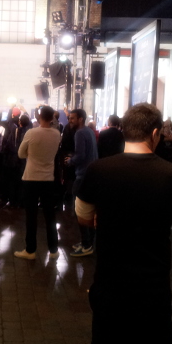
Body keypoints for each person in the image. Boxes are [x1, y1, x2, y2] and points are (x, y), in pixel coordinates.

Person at [76, 103, 172, 344]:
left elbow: (83, 216)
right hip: (153, 288)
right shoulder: (171, 174)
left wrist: (105, 219)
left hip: (110, 285)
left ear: (124, 130)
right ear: (155, 133)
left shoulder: (99, 169)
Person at [14, 106, 61, 260]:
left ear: (39, 117)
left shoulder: (31, 133)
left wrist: (31, 153)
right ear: (52, 118)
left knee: (31, 215)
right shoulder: (57, 134)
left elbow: (21, 154)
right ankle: (53, 249)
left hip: (31, 178)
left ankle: (30, 250)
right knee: (50, 215)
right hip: (48, 179)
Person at [65, 109, 98, 257]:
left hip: (82, 177)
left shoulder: (79, 133)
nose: (70, 121)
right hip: (92, 175)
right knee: (89, 211)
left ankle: (86, 245)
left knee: (80, 212)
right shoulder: (89, 131)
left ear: (80, 119)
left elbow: (80, 156)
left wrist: (70, 161)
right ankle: (89, 242)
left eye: (72, 118)